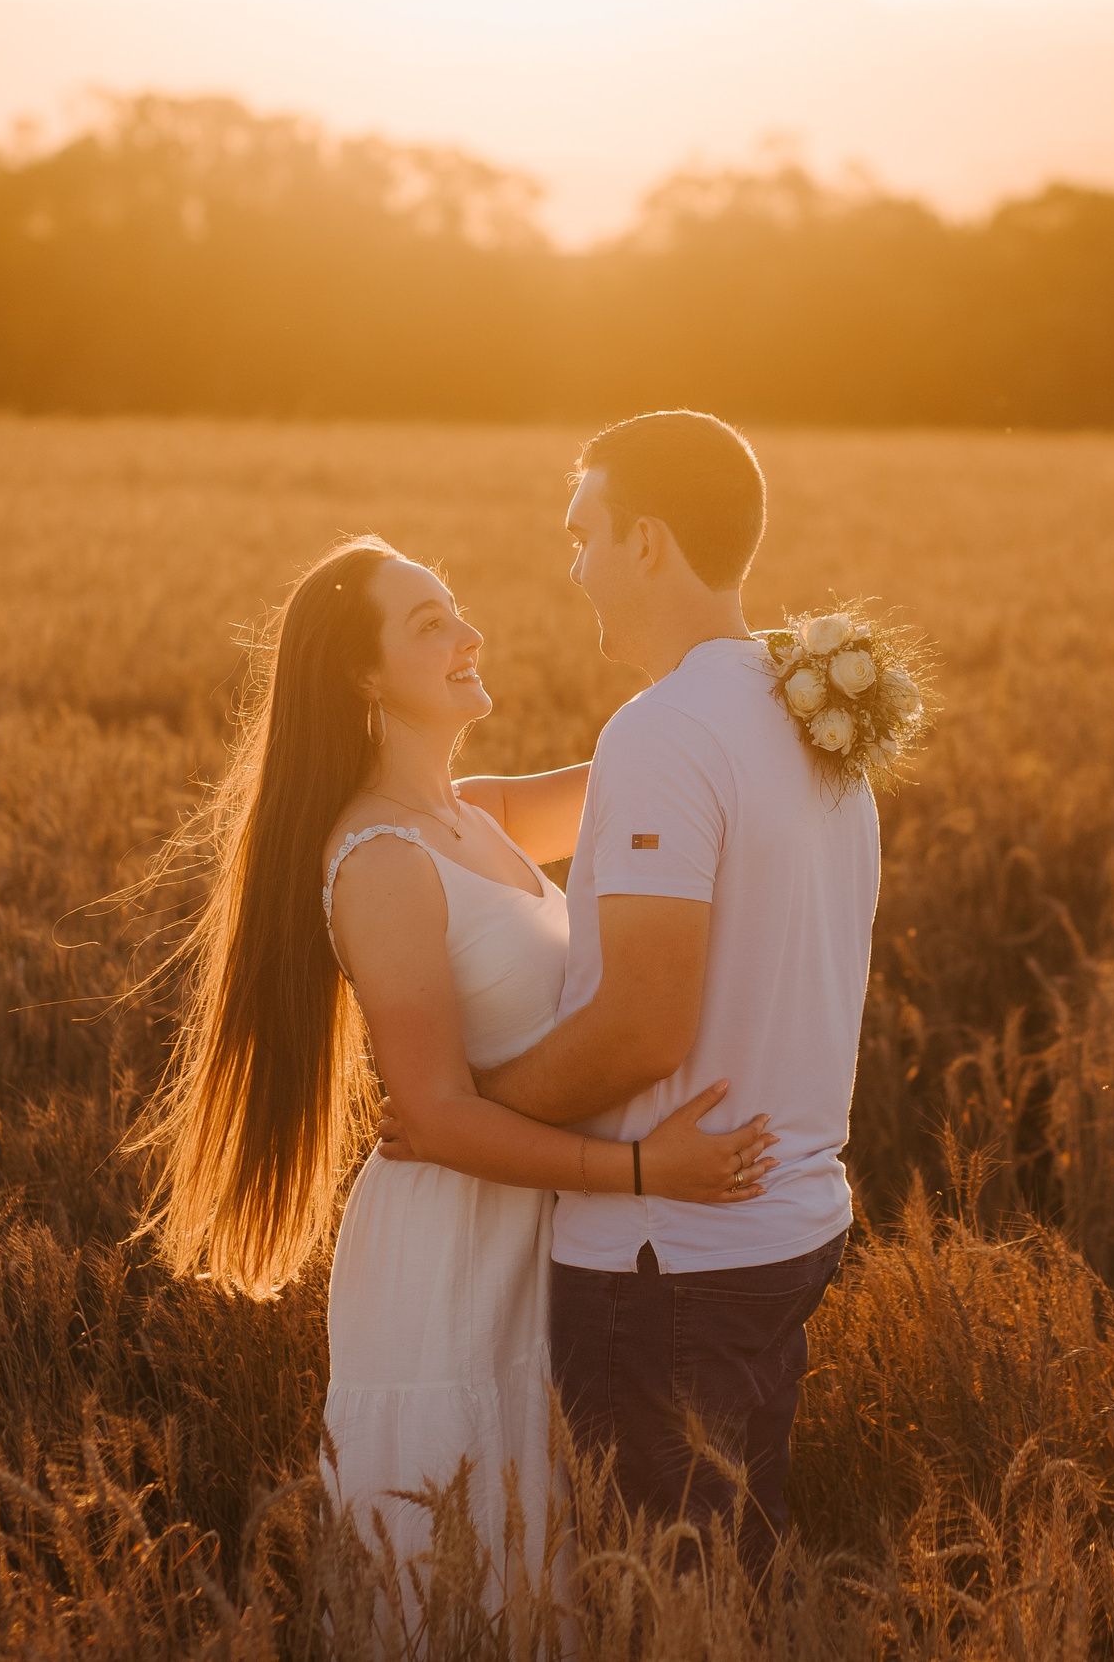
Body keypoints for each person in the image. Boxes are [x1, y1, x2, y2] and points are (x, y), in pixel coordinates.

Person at [132, 529, 778, 1613]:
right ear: (363, 676)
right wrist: (641, 1170)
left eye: (457, 610)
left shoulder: (475, 813)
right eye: (430, 626)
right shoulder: (381, 861)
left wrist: (772, 675)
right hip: (453, 1245)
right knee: (464, 1569)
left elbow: (661, 758)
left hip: (534, 1223)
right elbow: (428, 1117)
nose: (469, 635)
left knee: (546, 1558)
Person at [382, 410, 883, 1568]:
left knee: (666, 1601)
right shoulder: (813, 721)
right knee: (734, 1578)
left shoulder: (666, 731)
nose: (574, 568)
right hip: (787, 1226)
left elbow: (641, 1025)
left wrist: (470, 1108)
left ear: (647, 543)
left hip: (670, 1263)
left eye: (584, 534)